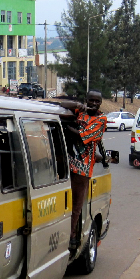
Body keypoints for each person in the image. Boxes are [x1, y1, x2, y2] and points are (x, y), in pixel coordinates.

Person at [55, 92, 107, 252]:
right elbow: (63, 104)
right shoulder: (80, 112)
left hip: (83, 168)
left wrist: (63, 128)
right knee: (61, 203)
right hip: (65, 164)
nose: (93, 103)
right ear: (86, 100)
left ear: (100, 103)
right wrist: (79, 106)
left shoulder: (101, 120)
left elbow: (83, 136)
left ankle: (71, 237)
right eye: (90, 100)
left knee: (76, 206)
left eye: (96, 101)